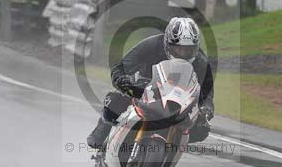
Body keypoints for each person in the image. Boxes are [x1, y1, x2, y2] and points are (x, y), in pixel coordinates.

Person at [87, 17, 215, 150]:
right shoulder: (151, 45)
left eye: (188, 50)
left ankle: (173, 147)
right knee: (115, 101)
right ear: (167, 43)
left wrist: (206, 110)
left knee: (201, 128)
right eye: (178, 49)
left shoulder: (201, 62)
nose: (183, 53)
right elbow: (121, 67)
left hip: (178, 100)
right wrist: (122, 80)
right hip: (144, 89)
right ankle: (101, 132)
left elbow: (208, 95)